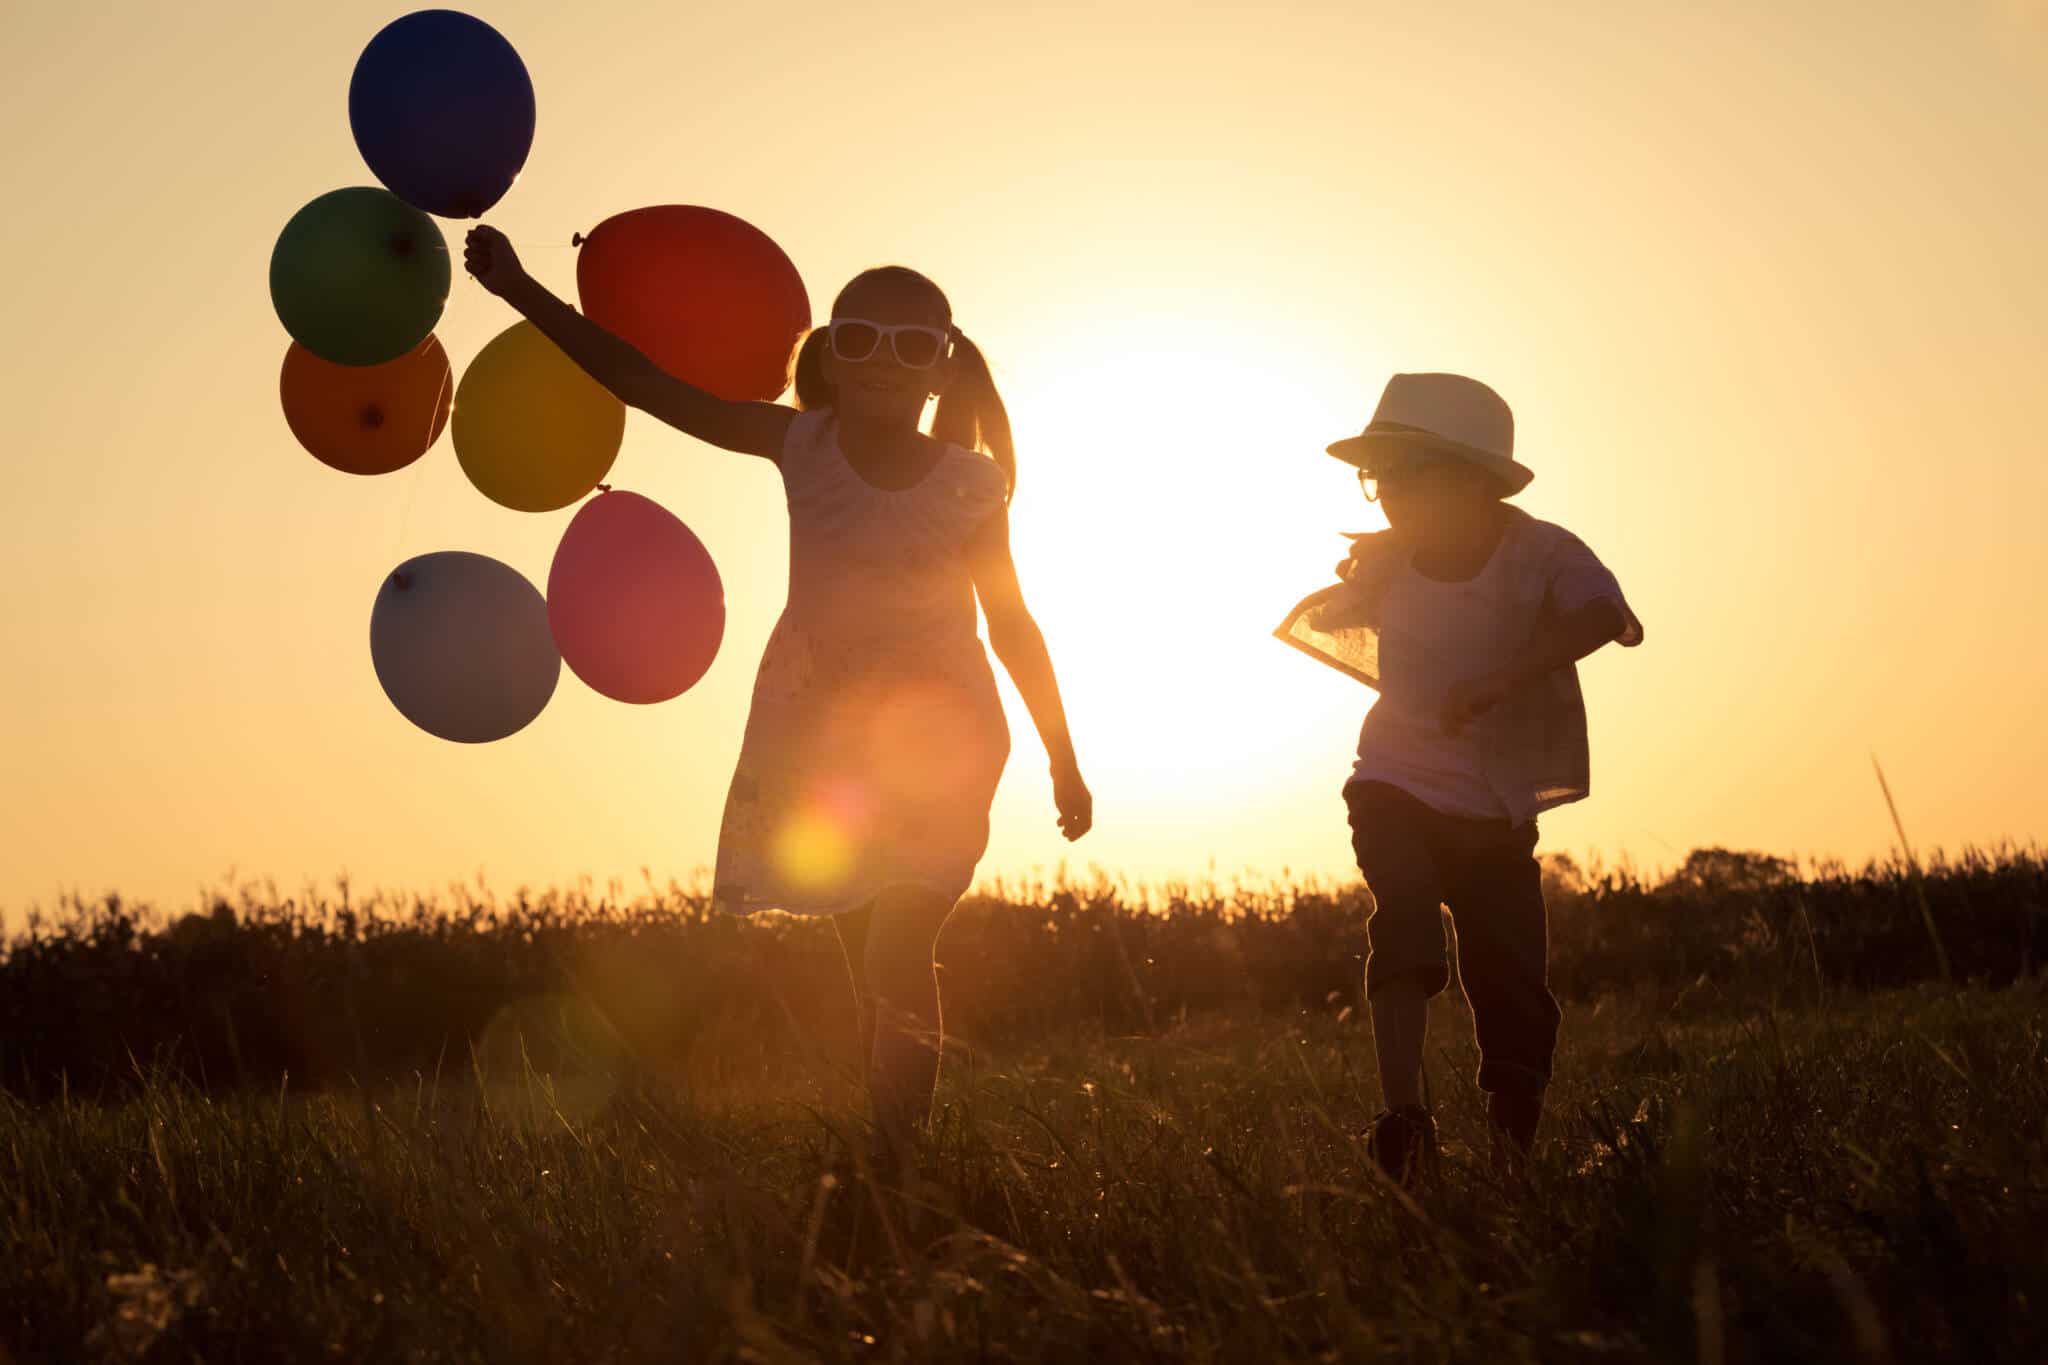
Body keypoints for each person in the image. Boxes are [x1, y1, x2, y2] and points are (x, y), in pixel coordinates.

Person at [463, 230, 1093, 1169]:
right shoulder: (800, 442)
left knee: (898, 943)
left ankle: (898, 1159)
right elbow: (644, 383)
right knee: (865, 960)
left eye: (914, 345)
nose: (885, 360)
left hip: (941, 739)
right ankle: (894, 1157)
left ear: (941, 368)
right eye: (861, 337)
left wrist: (1063, 757)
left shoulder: (970, 485)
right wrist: (521, 289)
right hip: (824, 742)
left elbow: (1013, 626)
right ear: (830, 354)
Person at [1276, 372, 1642, 1185]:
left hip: (1496, 807)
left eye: (1407, 471)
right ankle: (1403, 1118)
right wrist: (1360, 581)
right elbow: (1352, 616)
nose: (1389, 495)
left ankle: (1515, 1158)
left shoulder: (1542, 551)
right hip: (1392, 783)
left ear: (1475, 476)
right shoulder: (1392, 559)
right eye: (1380, 479)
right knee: (1403, 919)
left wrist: (1504, 680)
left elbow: (1602, 616)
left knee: (1510, 976)